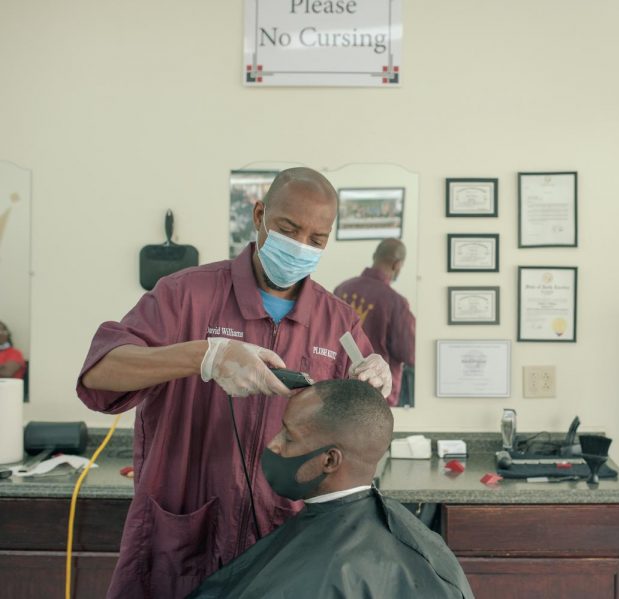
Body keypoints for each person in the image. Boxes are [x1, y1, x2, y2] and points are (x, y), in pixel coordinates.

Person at [76, 167, 393, 599]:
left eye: (316, 239)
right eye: (288, 229)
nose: (301, 246)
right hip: (183, 534)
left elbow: (356, 430)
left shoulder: (337, 323)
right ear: (259, 215)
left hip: (282, 542)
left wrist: (376, 382)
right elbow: (100, 374)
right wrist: (205, 355)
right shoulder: (185, 295)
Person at [189, 379, 474, 599]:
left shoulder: (320, 574)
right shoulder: (424, 543)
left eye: (288, 437)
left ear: (329, 460)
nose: (274, 444)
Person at [334, 238, 415, 407]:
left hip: (340, 389)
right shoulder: (396, 302)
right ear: (397, 265)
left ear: (374, 256)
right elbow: (409, 354)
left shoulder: (341, 289)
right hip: (378, 394)